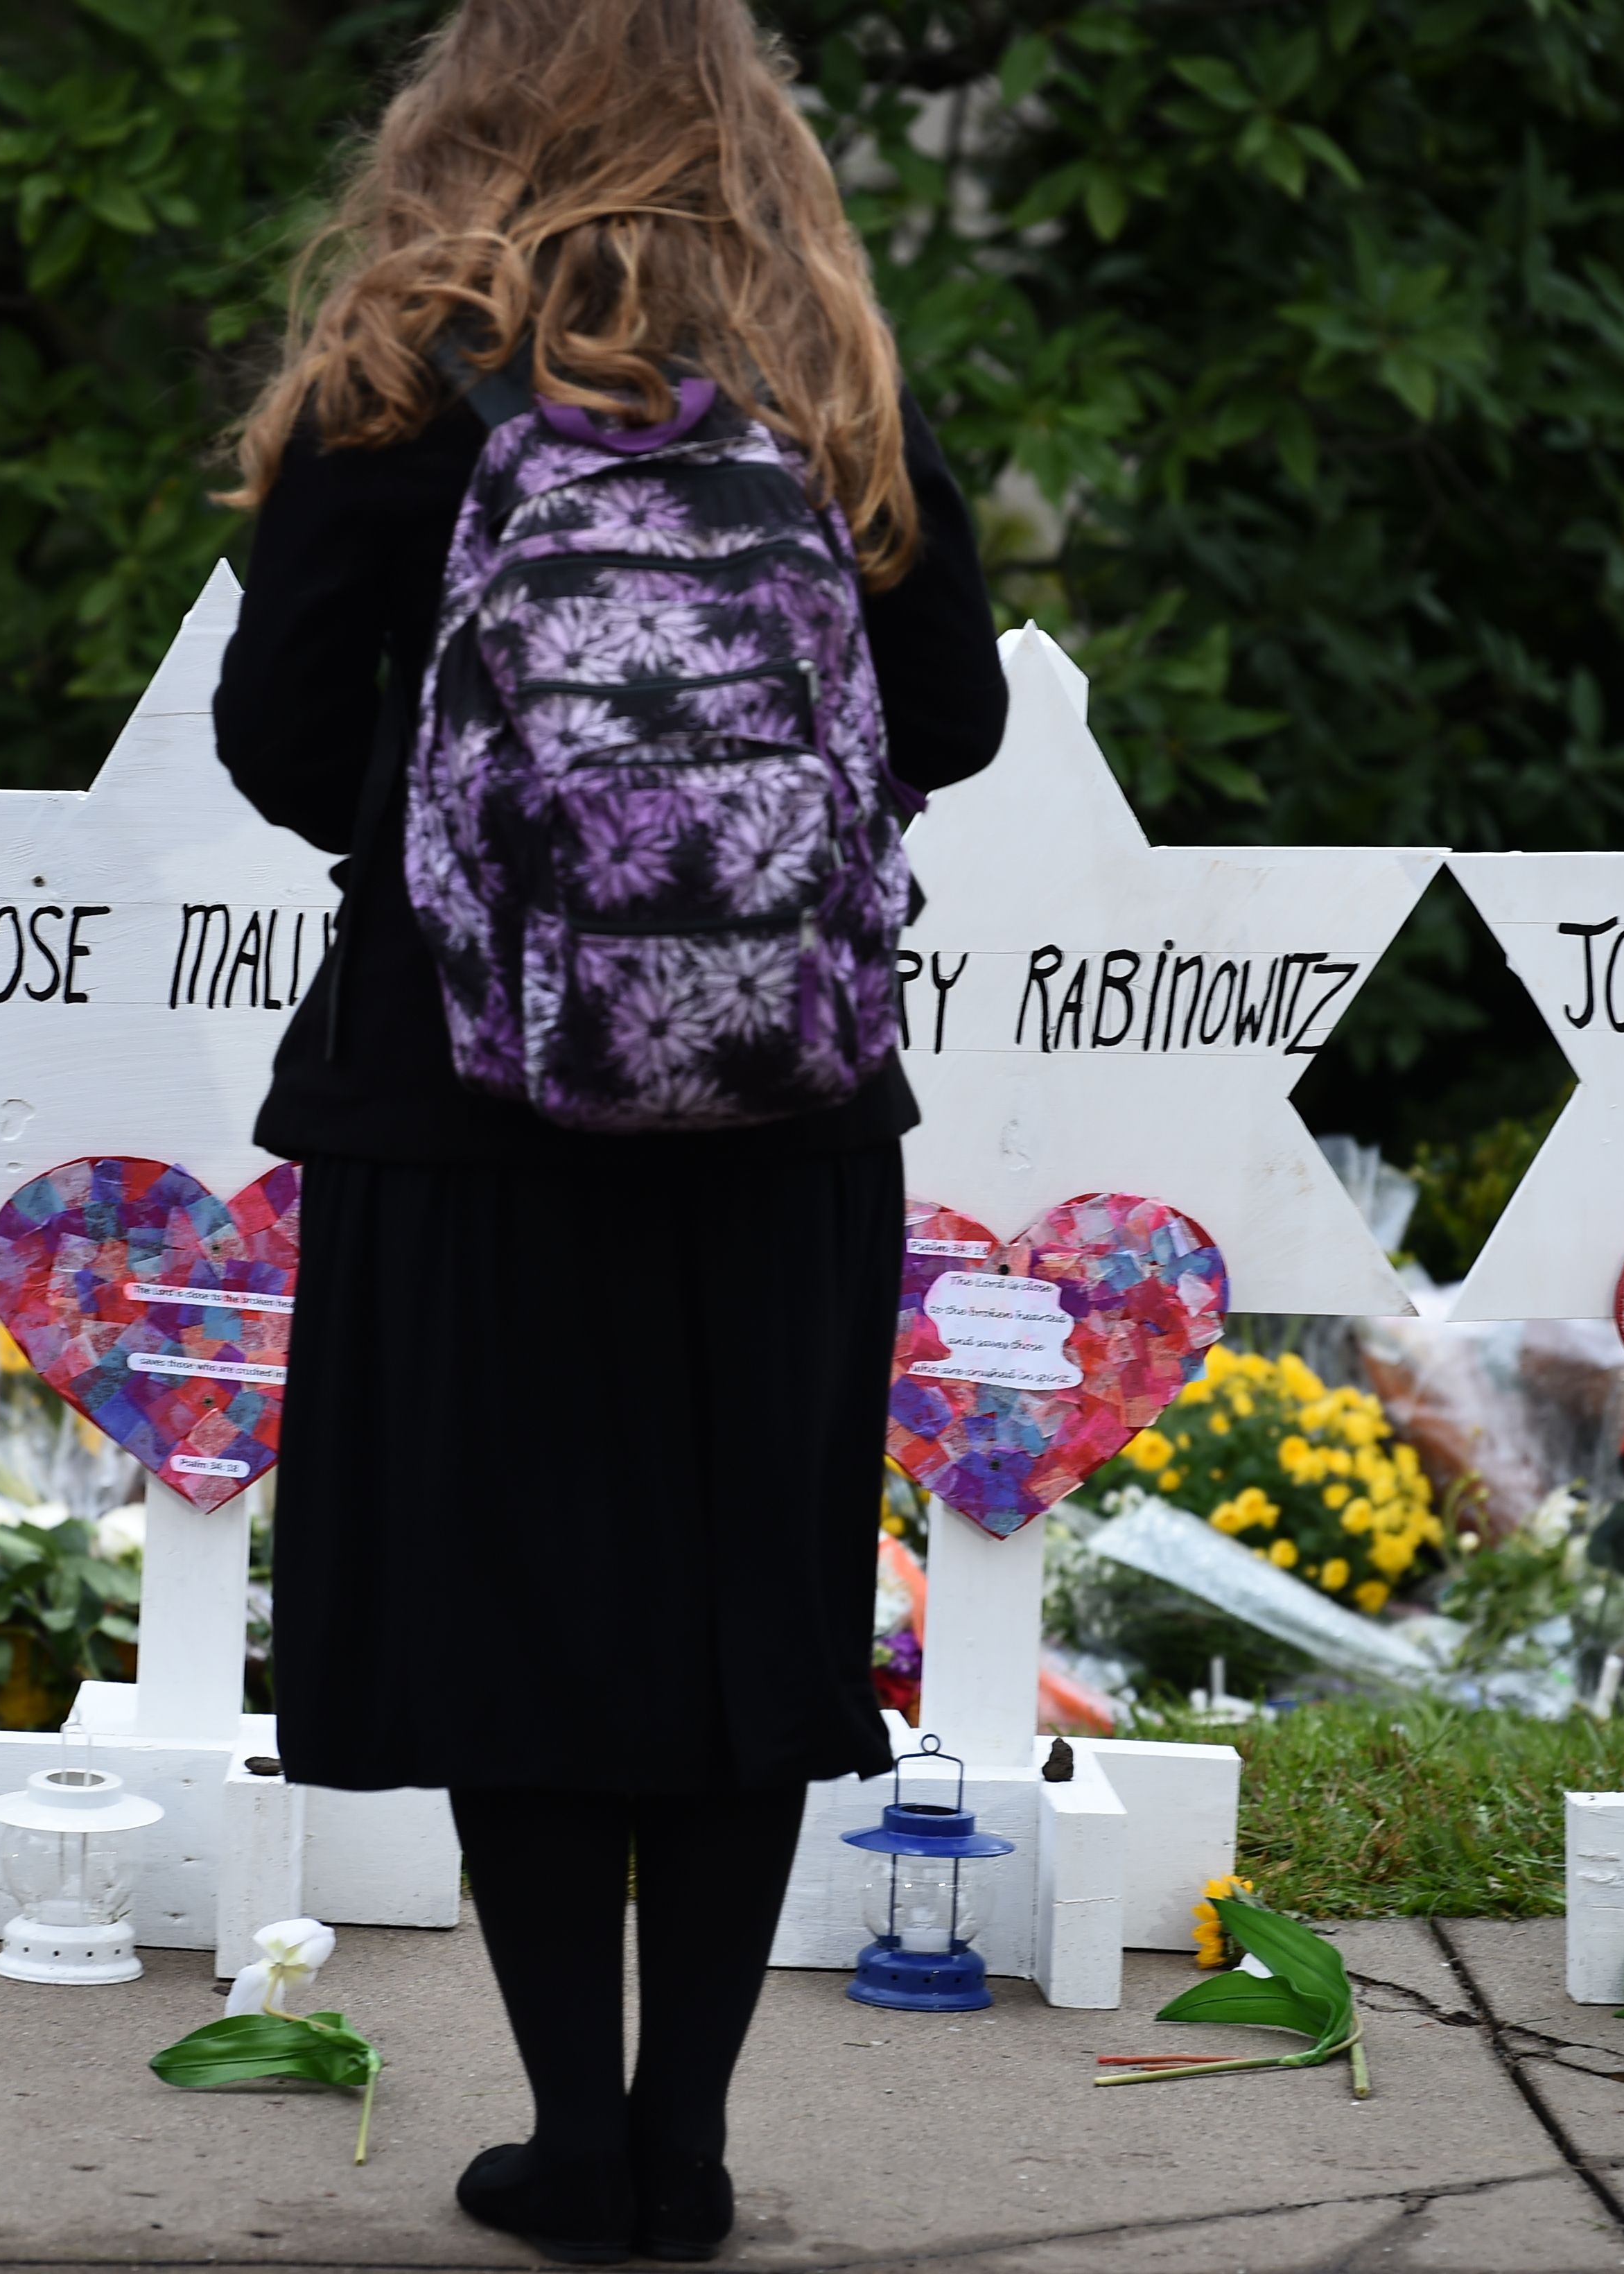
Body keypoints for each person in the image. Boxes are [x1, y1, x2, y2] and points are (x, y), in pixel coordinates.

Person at [211, 0, 1006, 2259]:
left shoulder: (406, 370)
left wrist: (505, 833)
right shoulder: (824, 370)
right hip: (788, 1105)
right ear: (748, 125)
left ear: (465, 110)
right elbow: (952, 707)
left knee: (519, 1621)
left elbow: (279, 739)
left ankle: (575, 2143)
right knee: (741, 1619)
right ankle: (693, 2142)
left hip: (457, 1105)